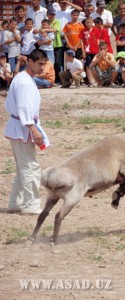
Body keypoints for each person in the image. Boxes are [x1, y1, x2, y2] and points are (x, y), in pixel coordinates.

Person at [4, 49, 50, 215]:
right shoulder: (23, 81)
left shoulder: (26, 79)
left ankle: (16, 202)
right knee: (30, 167)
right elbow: (23, 107)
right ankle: (30, 204)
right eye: (39, 64)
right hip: (22, 127)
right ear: (30, 62)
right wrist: (32, 129)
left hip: (20, 125)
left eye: (44, 64)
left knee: (23, 167)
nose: (42, 67)